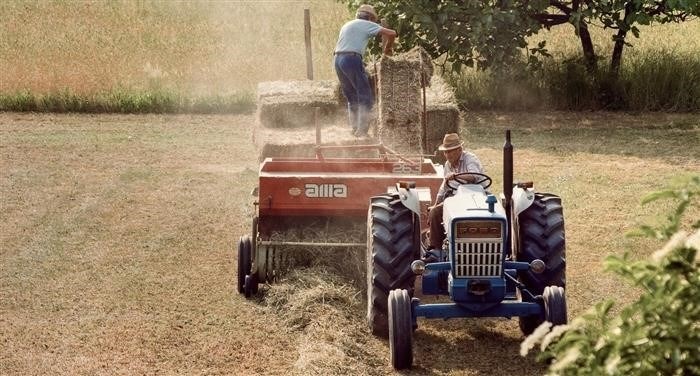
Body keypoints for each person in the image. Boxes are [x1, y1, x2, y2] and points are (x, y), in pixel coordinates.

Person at [333, 4, 397, 137]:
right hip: (351, 59)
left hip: (338, 60)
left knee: (351, 96)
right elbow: (392, 34)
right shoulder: (366, 23)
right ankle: (362, 131)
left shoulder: (347, 24)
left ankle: (355, 128)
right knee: (365, 96)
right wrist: (387, 50)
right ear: (370, 18)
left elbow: (349, 44)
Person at [426, 133, 486, 261]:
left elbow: (474, 176)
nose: (447, 155)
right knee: (436, 212)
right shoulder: (448, 164)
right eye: (446, 152)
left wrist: (456, 176)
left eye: (451, 151)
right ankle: (436, 251)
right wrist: (435, 205)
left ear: (460, 149)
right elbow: (443, 188)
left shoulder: (470, 159)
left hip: (478, 198)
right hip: (457, 199)